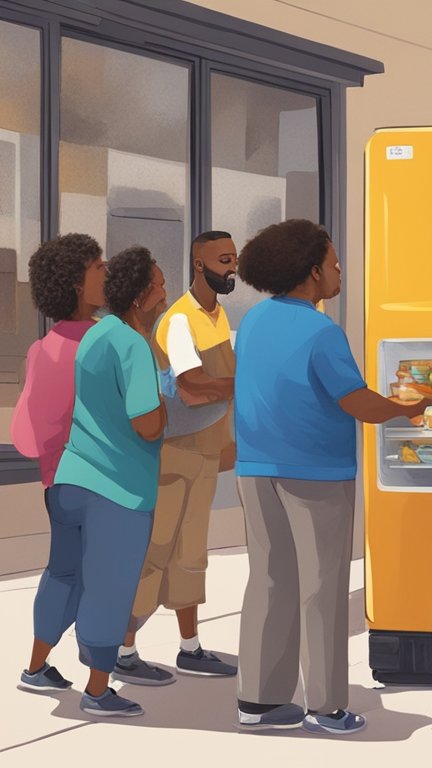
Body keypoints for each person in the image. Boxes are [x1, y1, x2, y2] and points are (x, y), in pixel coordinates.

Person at [232, 220, 432, 736]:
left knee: (270, 581)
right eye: (335, 263)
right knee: (321, 587)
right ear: (312, 271)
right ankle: (325, 706)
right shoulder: (322, 330)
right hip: (316, 472)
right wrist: (411, 407)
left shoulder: (254, 320)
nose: (340, 271)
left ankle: (258, 701)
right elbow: (358, 403)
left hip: (256, 468)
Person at [43, 247, 168, 716]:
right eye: (157, 285)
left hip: (72, 479)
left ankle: (49, 666)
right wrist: (165, 410)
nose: (164, 292)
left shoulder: (97, 337)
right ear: (139, 297)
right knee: (111, 587)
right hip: (118, 488)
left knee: (69, 575)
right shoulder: (134, 345)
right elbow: (147, 424)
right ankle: (97, 691)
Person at [115, 231, 240, 686]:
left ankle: (189, 648)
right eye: (224, 260)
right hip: (175, 454)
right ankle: (123, 649)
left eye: (234, 260)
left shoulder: (218, 315)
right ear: (199, 264)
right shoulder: (181, 319)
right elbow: (191, 386)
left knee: (192, 552)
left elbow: (214, 385)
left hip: (205, 452)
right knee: (157, 549)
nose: (233, 269)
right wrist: (247, 383)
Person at [13, 234, 105, 695]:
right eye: (98, 267)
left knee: (63, 572)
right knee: (109, 576)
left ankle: (36, 667)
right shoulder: (103, 343)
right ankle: (99, 686)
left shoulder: (41, 347)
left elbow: (29, 431)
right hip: (102, 483)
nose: (106, 274)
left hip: (57, 483)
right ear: (75, 283)